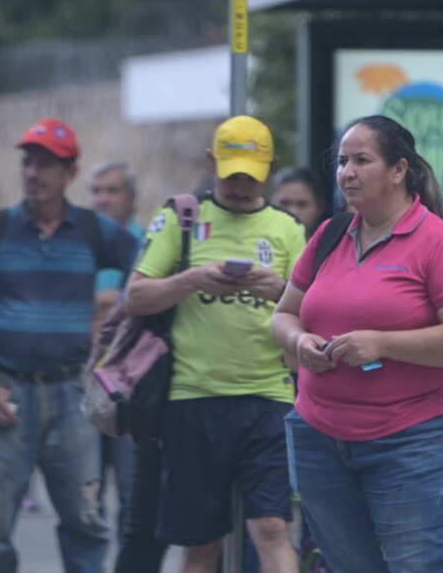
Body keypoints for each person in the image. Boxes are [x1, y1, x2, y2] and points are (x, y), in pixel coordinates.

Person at [271, 114, 443, 572]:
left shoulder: (441, 244)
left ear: (399, 170)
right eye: (342, 161)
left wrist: (383, 343)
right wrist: (301, 341)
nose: (346, 172)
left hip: (411, 441)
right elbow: (284, 316)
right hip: (318, 438)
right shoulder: (330, 234)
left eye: (362, 160)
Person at [0, 118, 138, 573]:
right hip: (5, 392)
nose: (33, 173)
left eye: (46, 165)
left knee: (85, 520)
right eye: (28, 163)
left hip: (73, 392)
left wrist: (114, 316)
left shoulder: (95, 230)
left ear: (69, 174)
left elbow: (151, 265)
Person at [124, 116, 306, 573]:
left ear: (271, 166)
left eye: (251, 174)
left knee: (272, 528)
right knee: (201, 544)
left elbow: (317, 310)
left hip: (269, 397)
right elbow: (136, 296)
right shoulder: (182, 216)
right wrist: (193, 279)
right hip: (194, 397)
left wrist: (280, 289)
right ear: (212, 162)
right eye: (231, 173)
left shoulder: (288, 227)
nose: (241, 184)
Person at [86, 162, 145, 545]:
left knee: (132, 492)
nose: (102, 198)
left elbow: (138, 304)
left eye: (113, 190)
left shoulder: (149, 242)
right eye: (96, 190)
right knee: (85, 497)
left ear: (132, 199)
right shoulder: (78, 241)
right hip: (82, 382)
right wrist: (110, 301)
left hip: (132, 384)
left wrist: (105, 303)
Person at [270, 167, 328, 236]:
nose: (293, 211)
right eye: (284, 203)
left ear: (319, 207)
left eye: (302, 204)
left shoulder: (332, 244)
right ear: (271, 204)